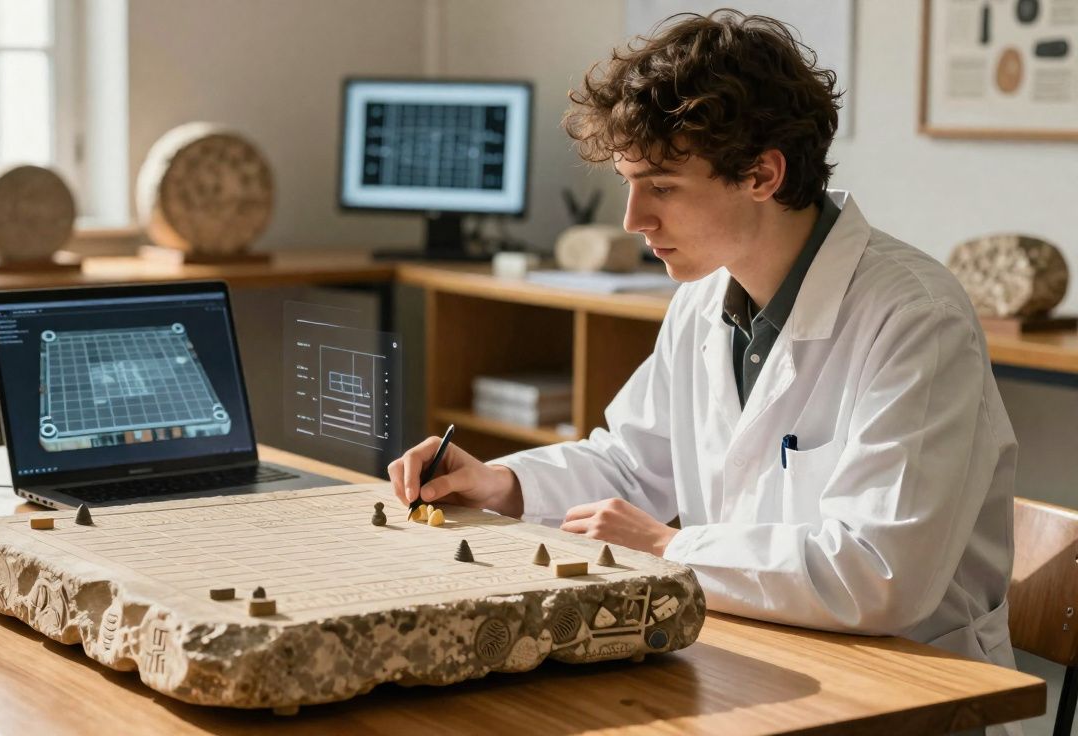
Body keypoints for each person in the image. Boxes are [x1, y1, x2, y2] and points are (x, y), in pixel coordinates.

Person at [388, 9, 1019, 724]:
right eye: (629, 183)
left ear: (763, 174)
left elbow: (881, 573)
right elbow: (633, 463)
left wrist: (671, 547)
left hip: (911, 695)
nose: (633, 220)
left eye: (661, 186)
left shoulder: (916, 317)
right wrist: (501, 484)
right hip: (756, 656)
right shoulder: (705, 296)